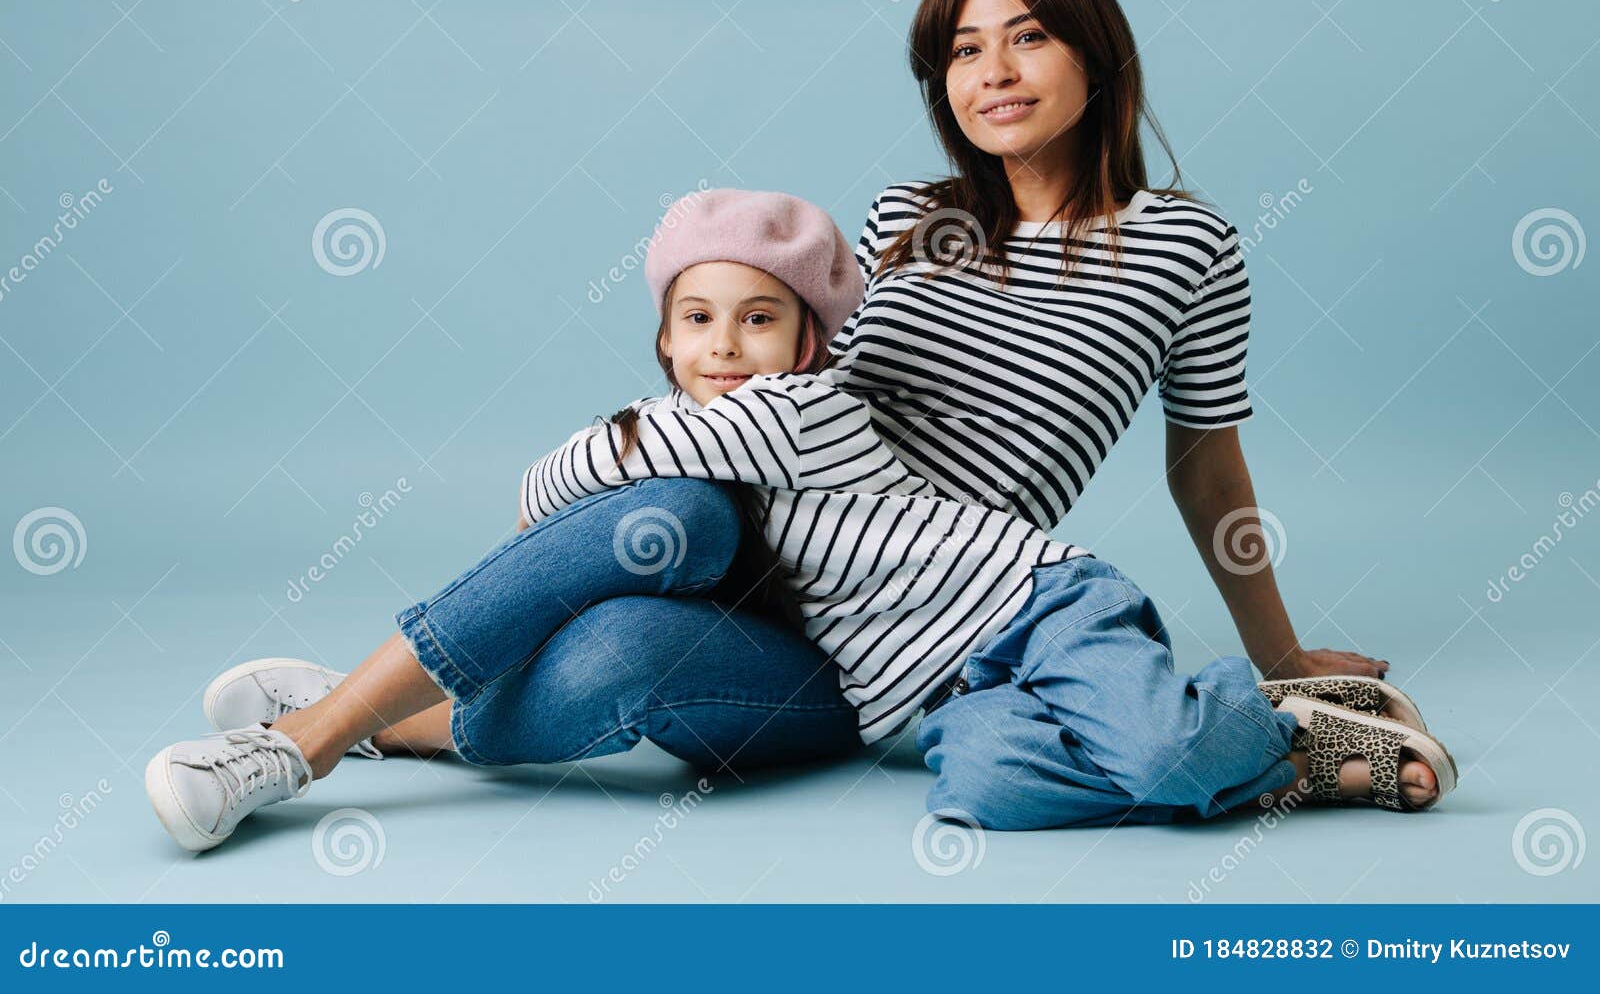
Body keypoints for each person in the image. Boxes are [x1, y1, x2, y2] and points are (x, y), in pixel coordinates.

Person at [144, 190, 1453, 850]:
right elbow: (570, 503)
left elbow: (546, 493)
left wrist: (611, 447)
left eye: (761, 319)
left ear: (816, 338)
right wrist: (623, 460)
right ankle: (1281, 763)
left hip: (1036, 599)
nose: (728, 348)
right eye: (698, 321)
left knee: (1163, 749)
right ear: (660, 334)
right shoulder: (709, 429)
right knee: (986, 789)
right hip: (916, 698)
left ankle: (1261, 724)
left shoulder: (801, 411)